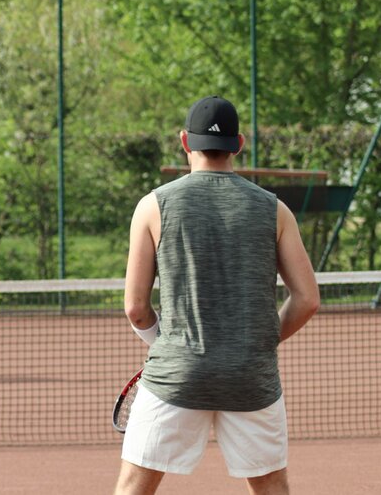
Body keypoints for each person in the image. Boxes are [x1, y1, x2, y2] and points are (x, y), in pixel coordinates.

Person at [114, 96, 320, 495]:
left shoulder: (153, 206)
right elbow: (307, 299)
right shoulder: (275, 210)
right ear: (239, 144)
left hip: (176, 376)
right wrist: (259, 342)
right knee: (271, 486)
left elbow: (136, 309)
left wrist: (168, 347)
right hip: (250, 376)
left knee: (134, 486)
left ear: (184, 142)